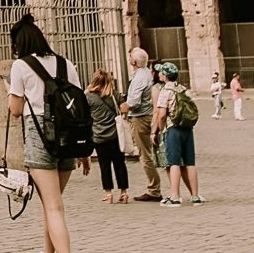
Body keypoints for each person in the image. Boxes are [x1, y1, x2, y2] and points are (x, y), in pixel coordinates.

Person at [6, 16, 86, 253]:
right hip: (68, 139)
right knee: (51, 204)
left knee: (54, 207)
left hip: (40, 137)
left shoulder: (21, 66)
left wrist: (12, 94)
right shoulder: (66, 64)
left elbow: (16, 111)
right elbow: (79, 105)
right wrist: (83, 149)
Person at [151, 61, 202, 204]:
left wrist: (161, 129)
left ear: (165, 76)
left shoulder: (165, 92)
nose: (159, 74)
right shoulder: (183, 89)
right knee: (190, 162)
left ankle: (175, 196)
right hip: (187, 128)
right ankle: (195, 196)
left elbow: (161, 114)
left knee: (173, 162)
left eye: (161, 72)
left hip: (172, 128)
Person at [122, 47, 161, 203]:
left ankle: (154, 189)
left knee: (145, 155)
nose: (129, 58)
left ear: (134, 61)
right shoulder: (145, 74)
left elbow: (134, 102)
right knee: (148, 154)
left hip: (140, 118)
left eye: (130, 56)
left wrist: (123, 107)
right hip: (146, 116)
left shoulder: (139, 78)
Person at [86, 68, 128, 204]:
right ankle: (124, 192)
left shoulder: (89, 97)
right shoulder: (114, 95)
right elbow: (124, 108)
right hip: (116, 135)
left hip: (99, 136)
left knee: (104, 165)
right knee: (119, 163)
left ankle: (109, 194)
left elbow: (86, 116)